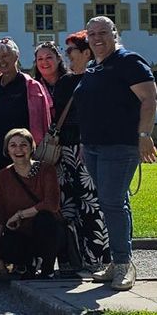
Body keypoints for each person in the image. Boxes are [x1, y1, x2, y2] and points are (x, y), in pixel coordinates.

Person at [75, 16, 157, 291]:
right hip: (94, 146)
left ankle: (123, 264)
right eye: (92, 34)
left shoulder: (129, 62)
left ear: (115, 34)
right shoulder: (93, 68)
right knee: (113, 202)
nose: (97, 38)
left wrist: (144, 136)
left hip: (120, 146)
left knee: (111, 202)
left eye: (103, 33)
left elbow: (150, 99)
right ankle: (118, 260)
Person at [51, 30, 110, 273]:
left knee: (92, 204)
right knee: (69, 206)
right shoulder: (64, 82)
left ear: (87, 53)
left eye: (71, 51)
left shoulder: (100, 79)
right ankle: (74, 258)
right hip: (66, 149)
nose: (68, 56)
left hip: (89, 148)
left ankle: (98, 258)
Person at [0, 38, 52, 178]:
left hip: (22, 156)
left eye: (5, 55)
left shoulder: (32, 86)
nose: (1, 60)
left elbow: (44, 122)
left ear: (16, 56)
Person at [0, 129, 61, 279]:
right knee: (6, 247)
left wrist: (20, 214)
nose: (18, 150)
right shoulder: (2, 176)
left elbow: (51, 204)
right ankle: (28, 266)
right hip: (20, 232)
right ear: (7, 150)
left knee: (45, 218)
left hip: (46, 231)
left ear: (31, 148)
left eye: (23, 145)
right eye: (13, 145)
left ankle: (47, 268)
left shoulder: (46, 170)